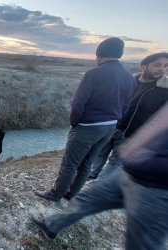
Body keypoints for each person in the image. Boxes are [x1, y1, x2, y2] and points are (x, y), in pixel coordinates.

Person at [31, 102, 168, 250]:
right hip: (129, 171)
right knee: (87, 198)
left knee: (142, 245)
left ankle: (53, 216)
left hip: (158, 189)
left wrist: (144, 157)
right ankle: (51, 226)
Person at [34, 37, 136, 202]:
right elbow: (126, 106)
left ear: (98, 54)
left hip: (88, 127)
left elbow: (78, 104)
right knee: (87, 163)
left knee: (70, 164)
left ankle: (56, 194)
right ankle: (71, 195)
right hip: (110, 127)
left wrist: (74, 123)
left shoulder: (93, 74)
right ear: (119, 54)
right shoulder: (129, 78)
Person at [88, 52, 168, 180]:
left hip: (133, 134)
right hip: (112, 126)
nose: (162, 69)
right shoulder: (128, 81)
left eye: (166, 66)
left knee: (115, 162)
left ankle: (98, 187)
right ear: (144, 67)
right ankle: (92, 175)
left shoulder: (165, 90)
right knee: (100, 153)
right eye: (157, 65)